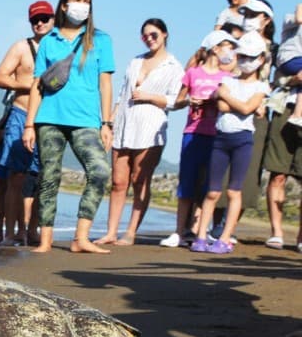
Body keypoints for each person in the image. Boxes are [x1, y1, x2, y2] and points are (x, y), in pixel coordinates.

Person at [23, 0, 114, 254]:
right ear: (64, 4)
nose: (82, 5)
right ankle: (46, 240)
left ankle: (81, 238)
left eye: (87, 1)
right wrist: (29, 124)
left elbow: (105, 82)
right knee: (49, 177)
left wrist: (106, 122)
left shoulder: (100, 39)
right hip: (49, 117)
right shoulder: (49, 40)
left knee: (100, 171)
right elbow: (37, 84)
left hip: (86, 120)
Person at [95, 19, 182, 246]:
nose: (149, 39)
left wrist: (150, 97)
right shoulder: (135, 61)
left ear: (164, 34)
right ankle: (111, 231)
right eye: (144, 36)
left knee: (139, 180)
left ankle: (131, 232)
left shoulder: (174, 67)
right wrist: (110, 121)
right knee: (117, 181)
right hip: (124, 123)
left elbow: (178, 101)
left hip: (151, 127)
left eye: (153, 34)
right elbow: (123, 93)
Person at [191, 32, 271, 254]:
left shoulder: (261, 87)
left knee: (234, 191)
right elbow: (228, 107)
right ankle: (200, 237)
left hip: (242, 140)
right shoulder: (227, 80)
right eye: (243, 56)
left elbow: (245, 108)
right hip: (221, 139)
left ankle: (224, 238)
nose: (246, 62)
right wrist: (237, 102)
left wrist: (229, 98)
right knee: (212, 191)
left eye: (251, 57)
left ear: (261, 59)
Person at [160, 31, 238, 248]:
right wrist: (189, 101)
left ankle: (198, 231)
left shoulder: (229, 78)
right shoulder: (193, 73)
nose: (230, 52)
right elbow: (177, 101)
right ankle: (178, 231)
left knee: (209, 186)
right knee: (187, 183)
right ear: (215, 48)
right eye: (227, 46)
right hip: (193, 133)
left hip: (218, 136)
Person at [0, 0, 54, 246]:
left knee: (40, 179)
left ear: (53, 20)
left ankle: (32, 230)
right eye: (35, 20)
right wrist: (30, 85)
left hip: (46, 120)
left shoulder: (60, 50)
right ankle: (9, 233)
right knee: (14, 177)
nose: (39, 23)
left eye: (44, 19)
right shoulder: (21, 47)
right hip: (19, 114)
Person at [260, 3, 302, 250]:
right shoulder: (292, 25)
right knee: (277, 173)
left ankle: (300, 237)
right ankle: (276, 231)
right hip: (284, 103)